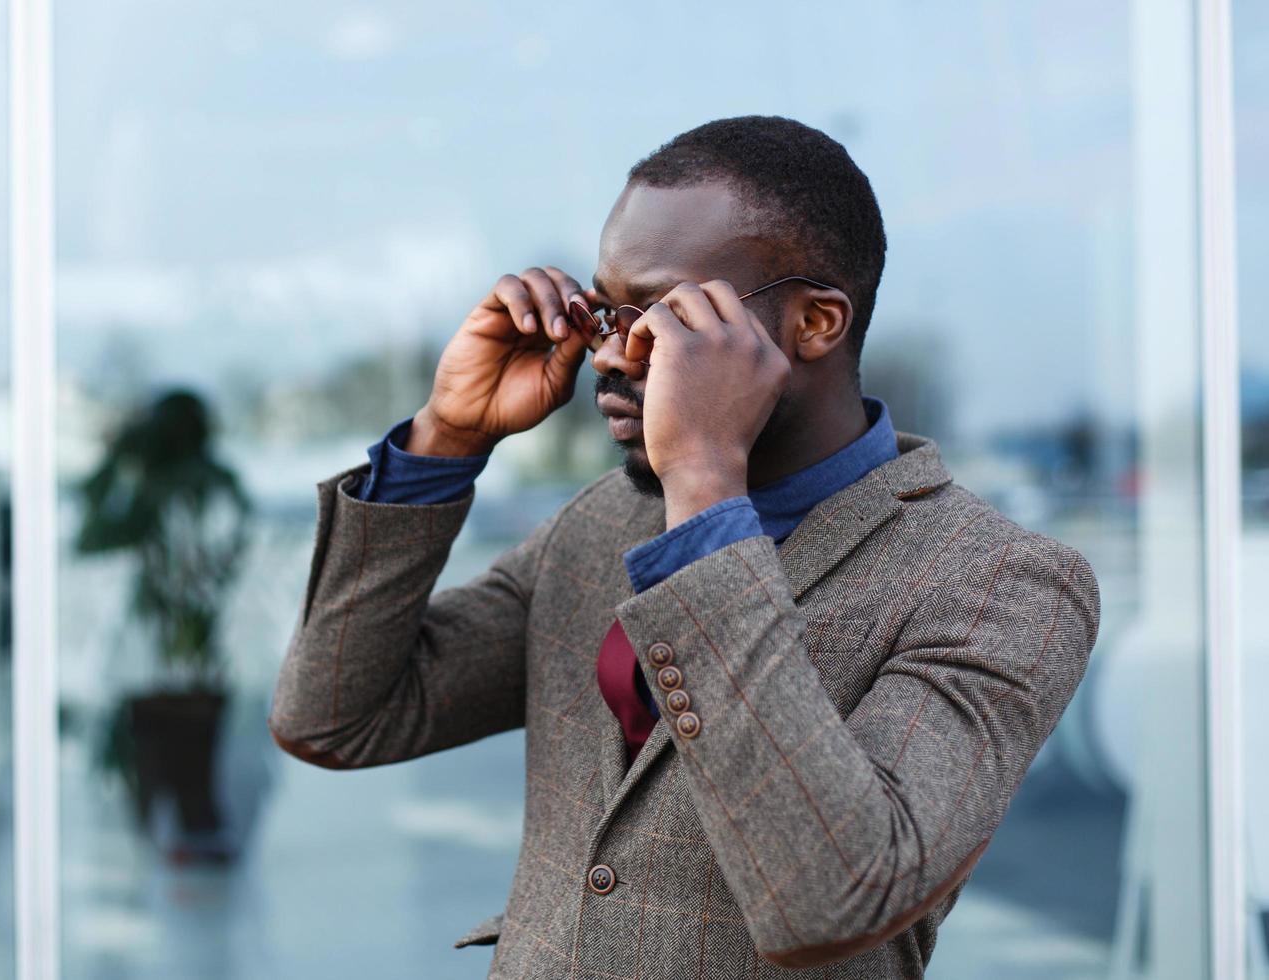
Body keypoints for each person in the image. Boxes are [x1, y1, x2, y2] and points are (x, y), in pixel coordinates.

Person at [270, 115, 1100, 978]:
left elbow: (839, 895)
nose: (605, 355)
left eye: (663, 313)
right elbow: (335, 717)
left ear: (815, 323)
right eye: (603, 310)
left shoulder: (1002, 584)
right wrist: (446, 438)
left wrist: (704, 477)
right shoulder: (600, 523)